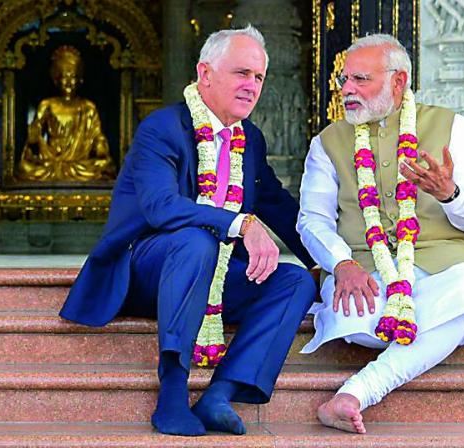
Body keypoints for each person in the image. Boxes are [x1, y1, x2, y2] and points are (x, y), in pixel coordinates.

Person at [60, 25, 316, 437]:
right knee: (196, 241)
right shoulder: (162, 128)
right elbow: (162, 208)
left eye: (258, 77)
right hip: (146, 270)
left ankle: (220, 394)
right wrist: (240, 224)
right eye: (241, 73)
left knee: (293, 280)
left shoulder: (249, 138)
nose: (252, 86)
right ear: (206, 73)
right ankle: (173, 394)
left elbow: (279, 207)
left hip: (213, 275)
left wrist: (337, 264)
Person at [296, 33, 464, 434]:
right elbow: (311, 220)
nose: (347, 90)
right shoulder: (327, 142)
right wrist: (342, 264)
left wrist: (449, 194)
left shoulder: (451, 127)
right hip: (364, 271)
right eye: (344, 80)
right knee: (360, 325)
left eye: (360, 80)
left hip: (441, 264)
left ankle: (355, 393)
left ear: (398, 82)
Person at [17, 45, 113, 182]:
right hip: (50, 162)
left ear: (80, 79)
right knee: (24, 168)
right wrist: (34, 138)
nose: (68, 82)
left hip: (79, 164)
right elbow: (34, 135)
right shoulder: (47, 104)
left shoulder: (87, 107)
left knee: (105, 166)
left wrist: (100, 145)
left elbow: (96, 135)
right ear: (56, 79)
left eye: (73, 77)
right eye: (64, 77)